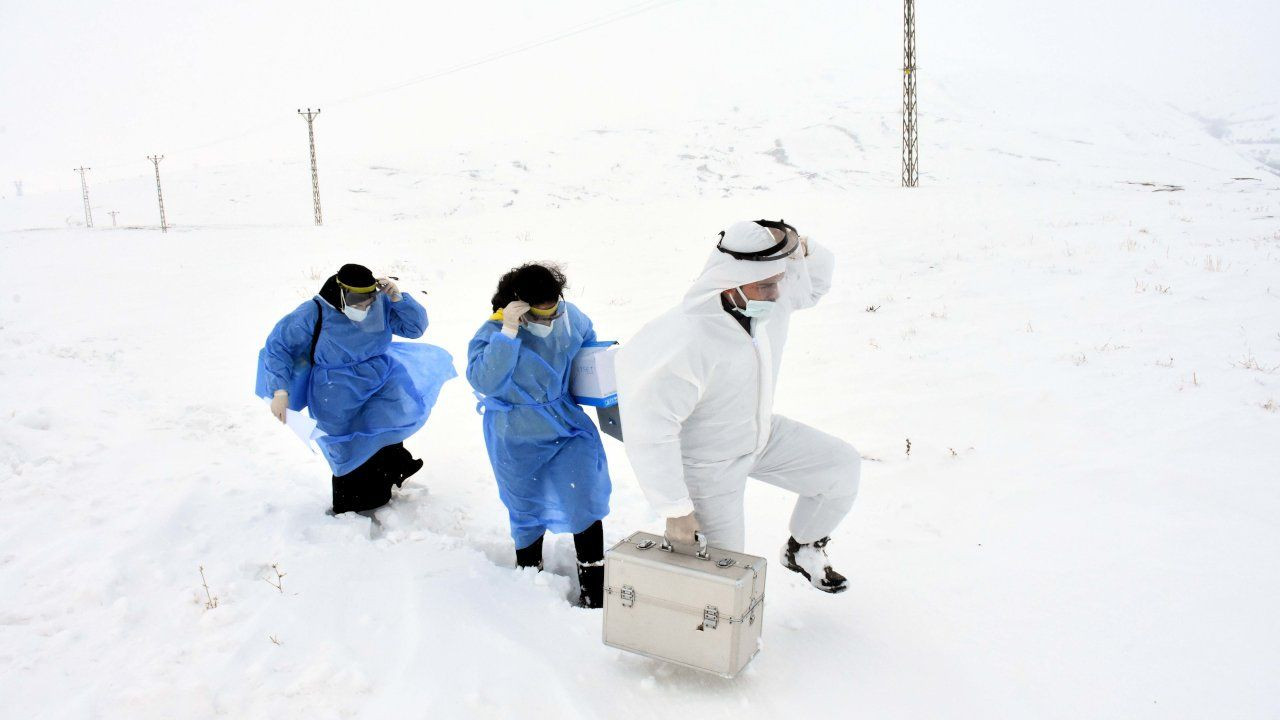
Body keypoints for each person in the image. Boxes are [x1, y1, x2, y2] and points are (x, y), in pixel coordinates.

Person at [615, 219, 860, 594]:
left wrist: (806, 250)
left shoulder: (765, 303)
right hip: (708, 466)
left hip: (760, 435)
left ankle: (803, 548)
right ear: (729, 282)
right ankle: (695, 643)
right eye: (767, 285)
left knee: (840, 467)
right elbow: (650, 429)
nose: (778, 293)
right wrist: (676, 510)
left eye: (777, 281)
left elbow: (814, 288)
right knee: (722, 575)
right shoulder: (686, 338)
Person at [466, 263, 612, 608]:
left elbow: (587, 353)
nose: (549, 321)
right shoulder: (494, 331)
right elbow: (484, 381)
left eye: (553, 310)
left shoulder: (570, 317)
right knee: (525, 507)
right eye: (540, 315)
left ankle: (595, 589)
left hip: (566, 426)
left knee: (585, 499)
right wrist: (508, 334)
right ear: (518, 305)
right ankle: (531, 585)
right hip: (515, 432)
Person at [255, 263, 455, 515]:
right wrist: (279, 391)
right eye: (357, 302)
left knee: (384, 432)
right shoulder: (312, 312)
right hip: (335, 391)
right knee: (347, 448)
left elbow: (414, 329)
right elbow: (278, 347)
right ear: (341, 294)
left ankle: (386, 484)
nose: (364, 308)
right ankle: (354, 506)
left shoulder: (379, 303)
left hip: (381, 379)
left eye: (368, 301)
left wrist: (399, 299)